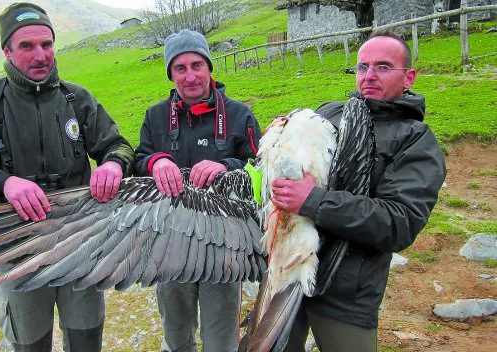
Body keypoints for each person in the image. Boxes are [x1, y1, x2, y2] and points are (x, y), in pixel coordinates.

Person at [0, 3, 134, 351]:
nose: (41, 55)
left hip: (82, 244)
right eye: (27, 46)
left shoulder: (78, 99)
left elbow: (118, 147)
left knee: (86, 338)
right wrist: (3, 182)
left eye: (47, 44)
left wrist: (113, 165)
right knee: (29, 343)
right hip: (18, 249)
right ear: (7, 51)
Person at [271, 30, 447, 351]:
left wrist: (312, 201)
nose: (368, 76)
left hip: (345, 293)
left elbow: (398, 223)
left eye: (382, 67)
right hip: (287, 275)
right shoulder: (328, 113)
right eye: (362, 67)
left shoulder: (415, 139)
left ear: (409, 77)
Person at [134, 29, 262, 352]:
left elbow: (262, 169)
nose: (190, 76)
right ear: (171, 74)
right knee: (176, 335)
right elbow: (138, 161)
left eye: (197, 65)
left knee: (221, 339)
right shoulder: (155, 117)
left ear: (209, 67)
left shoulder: (238, 115)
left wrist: (229, 166)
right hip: (170, 242)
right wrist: (157, 162)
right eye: (180, 68)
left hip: (226, 246)